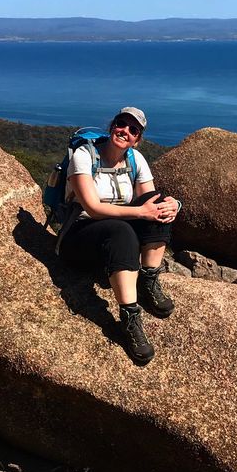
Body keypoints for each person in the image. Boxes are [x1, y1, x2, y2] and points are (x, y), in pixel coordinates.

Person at [58, 106, 180, 366]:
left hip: (114, 236)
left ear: (137, 138)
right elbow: (92, 207)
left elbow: (150, 201)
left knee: (157, 205)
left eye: (132, 129)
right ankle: (129, 317)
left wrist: (172, 206)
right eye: (121, 124)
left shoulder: (135, 159)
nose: (125, 131)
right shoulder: (85, 154)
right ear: (113, 125)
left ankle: (147, 280)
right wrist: (140, 213)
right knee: (122, 228)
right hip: (79, 236)